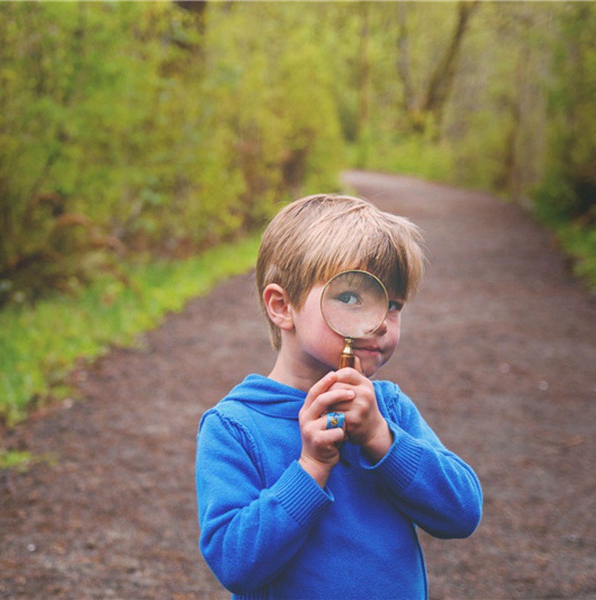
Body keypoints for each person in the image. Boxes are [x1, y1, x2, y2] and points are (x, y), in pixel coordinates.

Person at [195, 194, 482, 599]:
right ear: (282, 306)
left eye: (393, 304)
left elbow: (462, 513)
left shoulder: (390, 410)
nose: (380, 322)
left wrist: (383, 440)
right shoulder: (236, 427)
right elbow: (234, 562)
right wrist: (310, 468)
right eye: (350, 297)